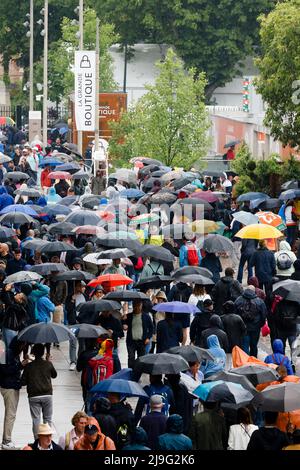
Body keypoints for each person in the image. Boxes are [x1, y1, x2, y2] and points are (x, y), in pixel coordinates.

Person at [21, 343, 57, 439]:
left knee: (36, 419)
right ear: (43, 353)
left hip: (34, 395)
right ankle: (48, 439)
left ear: (33, 353)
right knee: (47, 419)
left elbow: (23, 382)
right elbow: (54, 375)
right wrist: (49, 361)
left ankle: (37, 440)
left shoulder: (29, 366)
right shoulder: (48, 364)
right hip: (47, 394)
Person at [0, 337, 24, 449]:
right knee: (10, 415)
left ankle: (7, 439)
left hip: (13, 386)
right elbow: (4, 370)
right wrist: (20, 365)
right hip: (9, 387)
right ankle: (6, 440)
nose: (23, 348)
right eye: (22, 345)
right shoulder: (7, 354)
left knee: (11, 415)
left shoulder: (14, 354)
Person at [234, 286, 267, 357]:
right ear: (254, 291)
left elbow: (235, 313)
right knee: (254, 345)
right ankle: (254, 360)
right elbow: (264, 315)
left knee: (245, 345)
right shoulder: (259, 301)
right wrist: (260, 325)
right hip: (255, 327)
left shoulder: (239, 300)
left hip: (243, 327)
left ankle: (246, 361)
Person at [123, 300, 153, 368]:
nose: (137, 307)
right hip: (131, 341)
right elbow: (122, 324)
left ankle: (138, 372)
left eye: (139, 305)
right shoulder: (129, 316)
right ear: (133, 306)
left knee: (141, 359)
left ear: (141, 306)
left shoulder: (146, 316)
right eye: (135, 306)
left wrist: (148, 337)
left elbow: (151, 328)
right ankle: (130, 372)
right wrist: (123, 322)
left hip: (142, 341)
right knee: (131, 358)